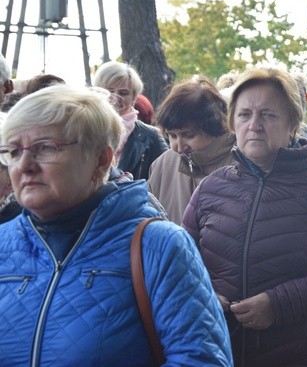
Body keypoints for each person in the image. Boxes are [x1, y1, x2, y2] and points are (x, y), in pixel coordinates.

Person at [0, 85, 233, 366]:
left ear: (101, 160)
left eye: (46, 148)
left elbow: (202, 359)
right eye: (13, 151)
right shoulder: (3, 244)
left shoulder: (159, 246)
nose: (24, 165)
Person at [182, 68, 307, 366]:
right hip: (222, 353)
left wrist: (278, 305)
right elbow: (182, 265)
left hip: (305, 354)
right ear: (232, 122)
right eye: (244, 114)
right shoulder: (211, 188)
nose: (255, 125)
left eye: (269, 115)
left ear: (292, 123)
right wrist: (207, 293)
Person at [148, 76, 236, 224]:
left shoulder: (243, 163)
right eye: (172, 135)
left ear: (215, 127)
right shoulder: (161, 165)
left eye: (188, 135)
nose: (179, 147)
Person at [92, 61, 168, 180]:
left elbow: (167, 178)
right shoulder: (84, 130)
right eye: (110, 91)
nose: (115, 98)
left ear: (134, 98)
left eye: (123, 93)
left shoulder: (151, 136)